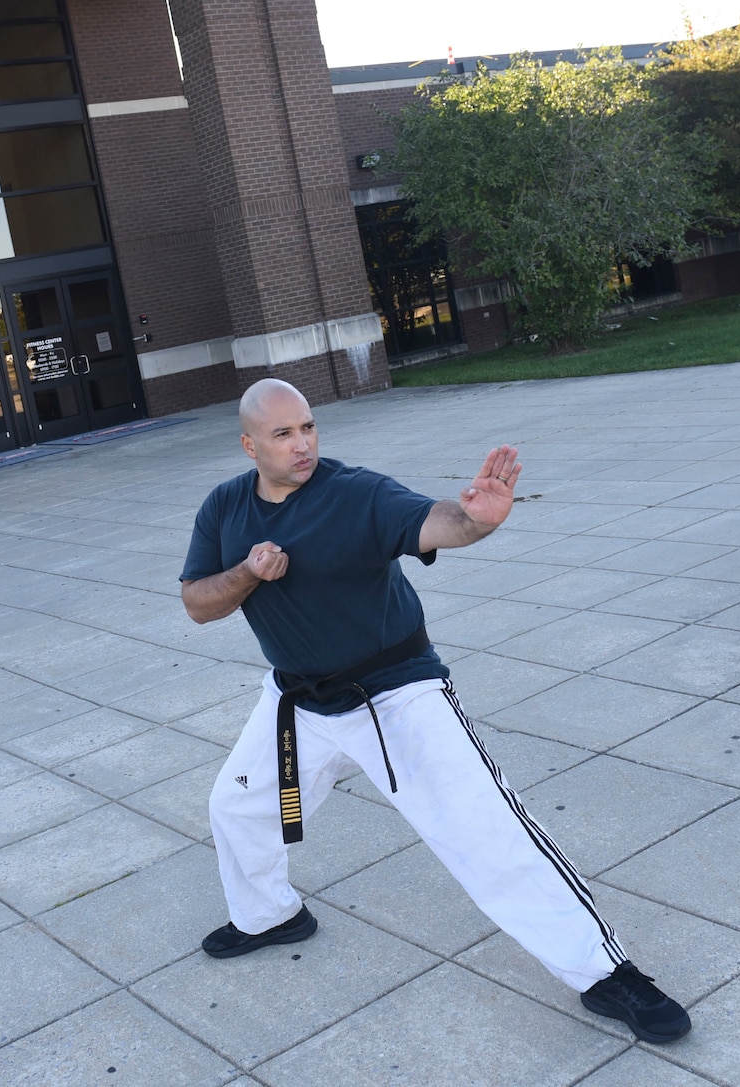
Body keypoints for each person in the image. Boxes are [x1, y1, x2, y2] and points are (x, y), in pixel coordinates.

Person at [179, 378, 691, 1043]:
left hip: (393, 690)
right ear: (250, 444)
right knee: (239, 805)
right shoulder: (224, 508)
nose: (302, 443)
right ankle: (269, 915)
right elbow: (198, 601)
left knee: (484, 830)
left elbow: (436, 521)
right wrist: (248, 572)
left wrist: (476, 516)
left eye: (308, 427)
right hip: (298, 700)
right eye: (283, 433)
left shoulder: (354, 492)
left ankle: (605, 971)